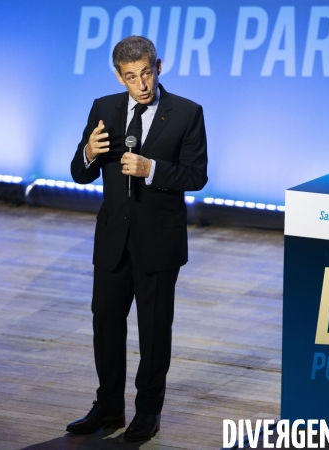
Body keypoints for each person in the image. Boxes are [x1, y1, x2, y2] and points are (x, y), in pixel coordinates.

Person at [67, 36, 208, 441]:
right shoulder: (103, 108)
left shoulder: (186, 113)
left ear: (158, 66)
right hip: (113, 240)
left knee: (153, 332)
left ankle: (148, 412)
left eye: (146, 73)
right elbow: (80, 173)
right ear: (119, 76)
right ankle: (108, 408)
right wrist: (89, 154)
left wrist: (151, 168)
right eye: (131, 77)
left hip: (159, 243)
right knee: (106, 325)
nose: (141, 84)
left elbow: (196, 176)